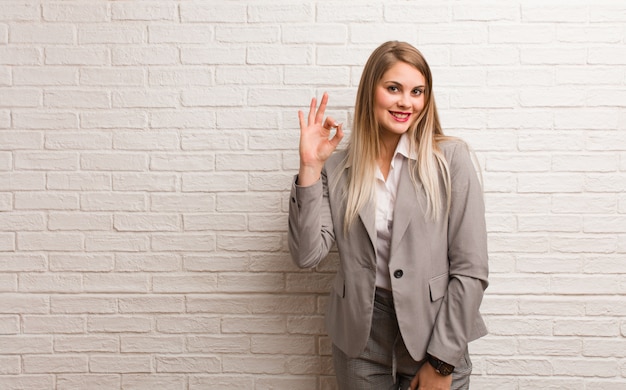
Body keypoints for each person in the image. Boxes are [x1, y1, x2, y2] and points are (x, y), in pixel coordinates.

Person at [288, 41, 489, 390]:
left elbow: (470, 270)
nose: (405, 102)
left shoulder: (451, 160)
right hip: (360, 334)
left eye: (417, 91)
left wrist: (441, 362)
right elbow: (307, 255)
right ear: (371, 91)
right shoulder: (336, 167)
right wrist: (309, 167)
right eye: (393, 88)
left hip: (435, 330)